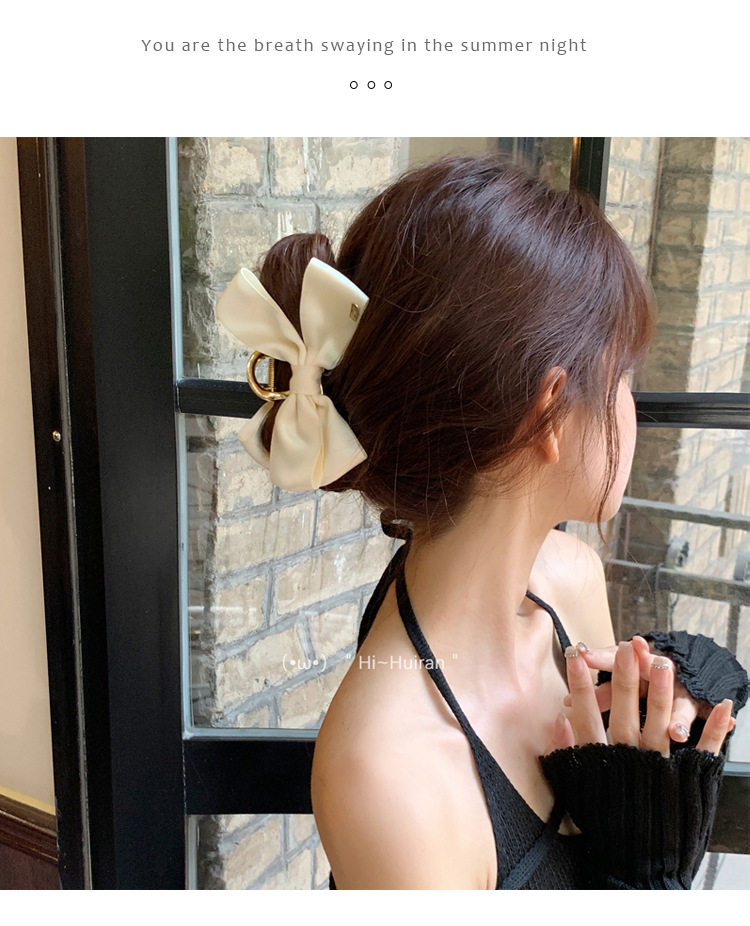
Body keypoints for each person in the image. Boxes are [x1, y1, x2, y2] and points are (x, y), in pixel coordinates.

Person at [215, 154, 748, 889]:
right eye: (622, 376)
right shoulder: (391, 779)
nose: (632, 409)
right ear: (550, 413)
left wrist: (683, 688)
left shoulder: (569, 578)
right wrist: (646, 878)